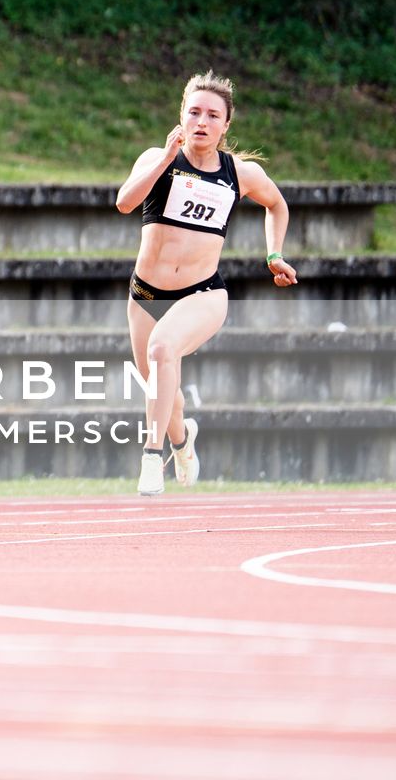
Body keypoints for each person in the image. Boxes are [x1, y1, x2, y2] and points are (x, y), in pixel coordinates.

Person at [114, 70, 296, 496]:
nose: (202, 121)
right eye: (194, 112)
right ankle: (182, 440)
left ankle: (150, 458)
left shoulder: (239, 173)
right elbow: (124, 203)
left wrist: (274, 255)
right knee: (163, 388)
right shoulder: (156, 160)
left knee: (163, 350)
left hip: (203, 293)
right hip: (145, 295)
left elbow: (277, 205)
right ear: (181, 115)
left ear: (225, 125)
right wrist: (163, 158)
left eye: (212, 115)